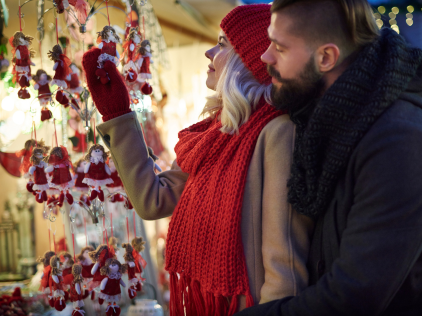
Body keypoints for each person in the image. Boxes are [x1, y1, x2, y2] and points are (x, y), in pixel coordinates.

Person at [82, 4, 314, 315]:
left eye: (222, 44)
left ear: (248, 60)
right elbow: (154, 200)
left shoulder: (278, 133)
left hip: (246, 306)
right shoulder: (212, 135)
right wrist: (119, 114)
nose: (208, 52)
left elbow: (283, 268)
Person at [235, 0, 422, 315]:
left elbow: (353, 295)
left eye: (279, 48)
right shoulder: (324, 120)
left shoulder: (398, 140)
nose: (264, 57)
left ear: (326, 57)